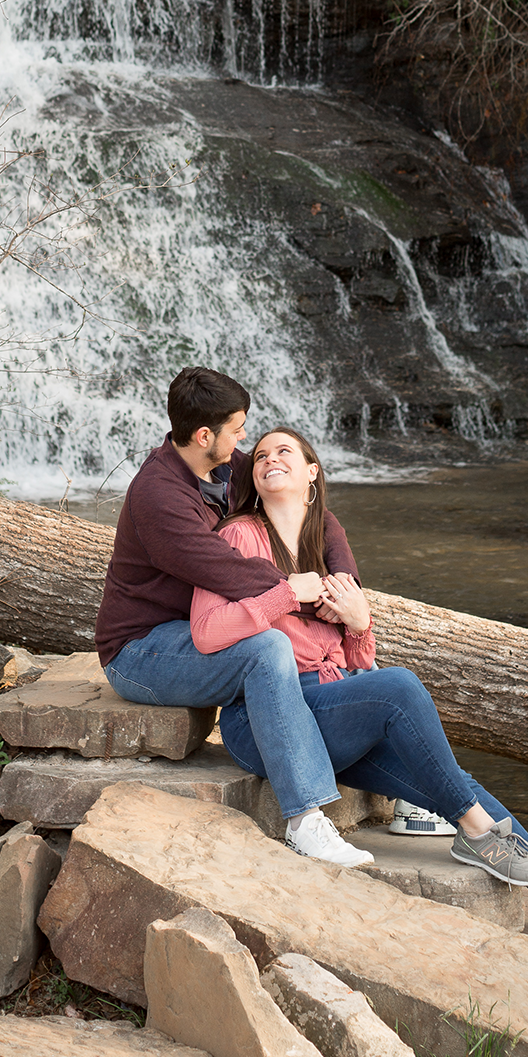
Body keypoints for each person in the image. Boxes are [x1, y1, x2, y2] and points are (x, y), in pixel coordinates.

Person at [191, 424, 528, 945]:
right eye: (261, 453)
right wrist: (285, 596)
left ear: (312, 471)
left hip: (331, 715)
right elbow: (209, 632)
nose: (270, 457)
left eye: (285, 450)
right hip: (268, 719)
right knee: (398, 688)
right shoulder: (239, 536)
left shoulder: (324, 546)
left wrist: (360, 623)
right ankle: (477, 834)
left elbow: (356, 659)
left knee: (453, 781)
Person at [96, 368, 360, 863]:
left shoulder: (226, 465)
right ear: (203, 436)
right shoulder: (159, 497)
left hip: (206, 632)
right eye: (238, 430)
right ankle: (304, 819)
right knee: (268, 648)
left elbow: (315, 514)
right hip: (142, 650)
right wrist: (306, 596)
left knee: (335, 667)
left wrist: (346, 590)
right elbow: (232, 573)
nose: (244, 440)